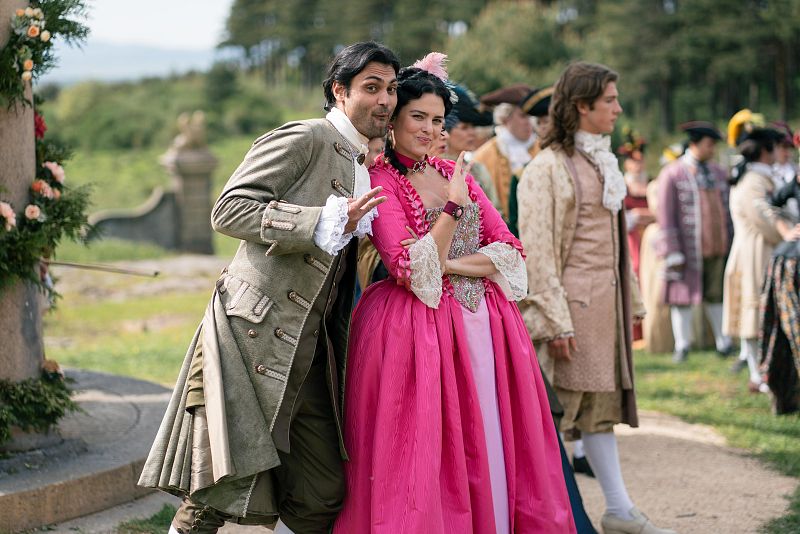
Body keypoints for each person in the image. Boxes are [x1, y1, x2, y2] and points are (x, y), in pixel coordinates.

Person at [137, 41, 399, 534]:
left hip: (314, 349)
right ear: (339, 91)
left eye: (390, 88)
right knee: (216, 488)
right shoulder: (306, 137)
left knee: (321, 494)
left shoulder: (365, 164)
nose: (384, 100)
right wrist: (317, 221)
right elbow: (228, 209)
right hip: (253, 332)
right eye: (371, 87)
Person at [334, 53, 575, 533]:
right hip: (416, 331)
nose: (429, 129)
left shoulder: (452, 170)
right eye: (418, 117)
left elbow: (509, 251)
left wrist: (448, 261)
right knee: (431, 446)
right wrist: (452, 211)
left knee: (490, 434)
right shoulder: (380, 179)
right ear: (394, 119)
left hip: (487, 324)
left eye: (437, 120)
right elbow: (410, 270)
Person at [518, 61, 675, 534]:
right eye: (609, 100)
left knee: (598, 414)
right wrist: (554, 320)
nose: (618, 109)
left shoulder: (600, 161)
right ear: (582, 106)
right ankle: (540, 517)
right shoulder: (546, 168)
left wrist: (633, 302)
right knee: (549, 416)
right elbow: (538, 250)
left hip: (603, 312)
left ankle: (619, 511)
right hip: (569, 316)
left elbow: (612, 245)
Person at [723, 116, 799, 393]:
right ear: (766, 151)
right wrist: (788, 231)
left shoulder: (760, 176)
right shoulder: (753, 180)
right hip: (755, 251)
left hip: (763, 248)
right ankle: (758, 373)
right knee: (754, 313)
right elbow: (764, 216)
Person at [654, 121, 734, 363]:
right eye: (709, 144)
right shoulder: (673, 173)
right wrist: (671, 249)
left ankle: (723, 342)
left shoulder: (718, 172)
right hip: (686, 248)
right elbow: (665, 213)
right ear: (695, 144)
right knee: (682, 296)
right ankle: (682, 345)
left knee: (716, 295)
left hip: (716, 245)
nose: (712, 149)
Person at [473, 83, 538, 225]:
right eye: (523, 116)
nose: (529, 122)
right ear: (505, 118)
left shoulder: (543, 149)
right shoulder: (484, 156)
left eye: (531, 116)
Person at [441, 83, 500, 211]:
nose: (472, 133)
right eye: (464, 128)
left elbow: (495, 210)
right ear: (445, 129)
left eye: (473, 127)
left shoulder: (478, 169)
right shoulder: (433, 169)